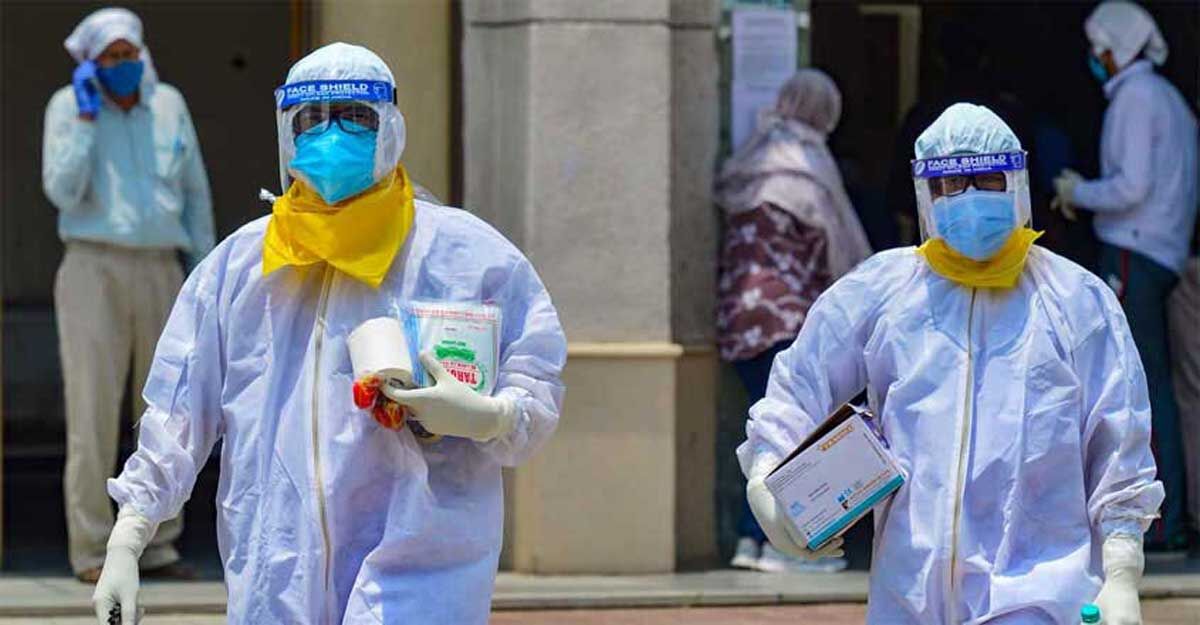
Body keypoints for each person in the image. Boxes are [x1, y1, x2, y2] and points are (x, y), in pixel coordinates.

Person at [90, 42, 567, 624]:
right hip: (276, 575)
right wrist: (129, 535)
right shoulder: (241, 268)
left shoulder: (465, 257)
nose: (332, 133)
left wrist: (487, 416)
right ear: (286, 129)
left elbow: (536, 384)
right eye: (312, 118)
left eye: (355, 116)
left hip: (420, 575)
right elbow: (179, 416)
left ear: (390, 125)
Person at [741, 103, 1163, 624]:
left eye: (987, 180)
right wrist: (766, 475)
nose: (969, 198)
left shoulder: (1076, 301)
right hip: (908, 596)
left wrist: (1121, 571)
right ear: (926, 193)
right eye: (951, 184)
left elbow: (1119, 444)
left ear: (1017, 184)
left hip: (1036, 597)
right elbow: (798, 385)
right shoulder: (881, 293)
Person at [42, 7, 214, 583]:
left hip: (162, 266)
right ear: (91, 64)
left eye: (129, 54)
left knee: (166, 412)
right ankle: (92, 548)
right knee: (91, 411)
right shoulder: (67, 108)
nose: (123, 64)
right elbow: (61, 190)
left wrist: (204, 274)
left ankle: (157, 542)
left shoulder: (168, 104)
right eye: (110, 57)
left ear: (142, 54)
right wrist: (87, 121)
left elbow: (194, 192)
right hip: (93, 267)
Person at [1052, 0, 1199, 553]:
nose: (1097, 59)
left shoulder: (1135, 98)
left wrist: (1078, 192)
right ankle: (1169, 517)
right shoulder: (1167, 97)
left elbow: (1131, 186)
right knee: (1158, 384)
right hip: (1163, 249)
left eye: (1101, 49)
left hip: (1134, 249)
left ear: (1118, 48)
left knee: (1137, 387)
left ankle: (1157, 522)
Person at [714, 69, 872, 573]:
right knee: (792, 434)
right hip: (787, 321)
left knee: (765, 429)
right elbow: (839, 247)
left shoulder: (754, 158)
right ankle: (785, 544)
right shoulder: (808, 165)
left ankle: (749, 541)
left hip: (737, 320)